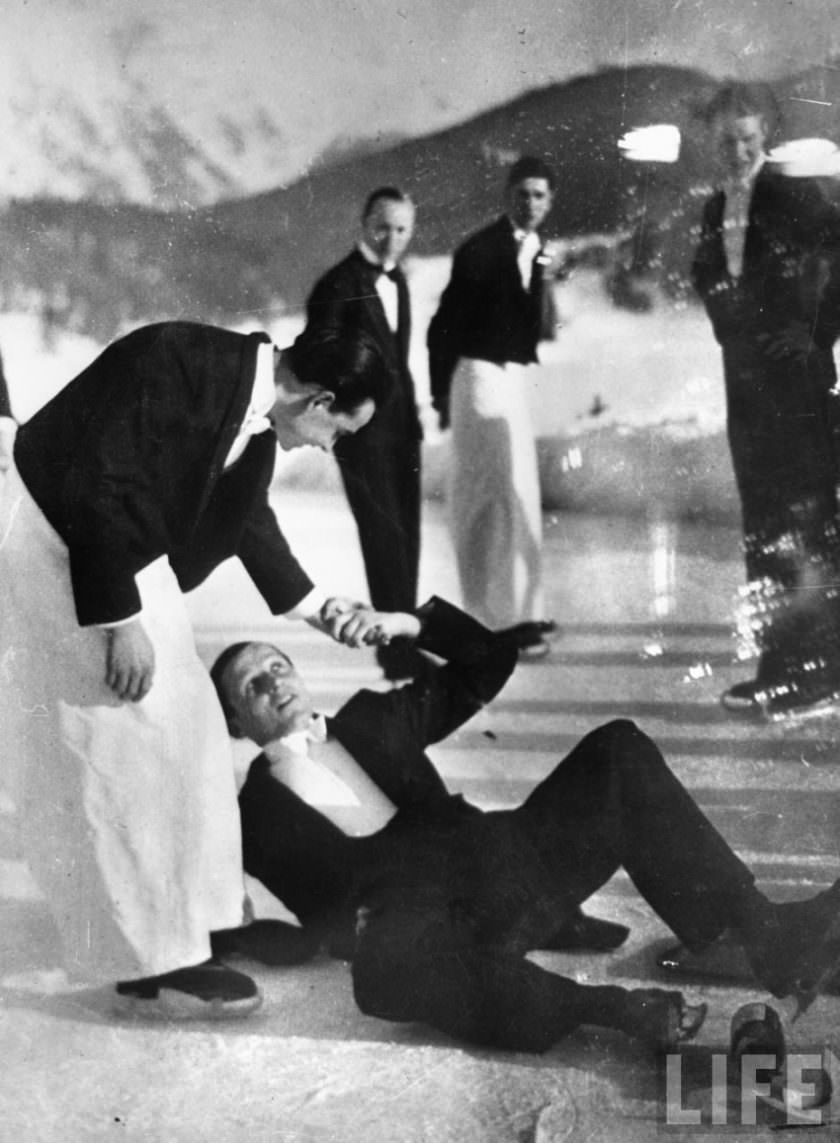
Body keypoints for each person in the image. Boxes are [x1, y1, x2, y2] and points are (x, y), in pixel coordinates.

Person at [211, 598, 840, 1054]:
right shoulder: (255, 816)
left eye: (278, 666)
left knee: (616, 749)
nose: (274, 683)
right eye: (253, 685)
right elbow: (294, 915)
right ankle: (610, 1010)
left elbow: (490, 659)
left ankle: (764, 932)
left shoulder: (375, 717)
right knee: (383, 973)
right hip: (429, 928)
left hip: (505, 864)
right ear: (237, 723)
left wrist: (412, 623)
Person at [0, 319, 394, 1020]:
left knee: (191, 721)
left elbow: (246, 518)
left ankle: (199, 919)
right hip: (53, 537)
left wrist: (314, 604)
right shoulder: (182, 363)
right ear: (319, 400)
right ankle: (149, 960)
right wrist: (118, 620)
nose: (332, 447)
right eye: (341, 431)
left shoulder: (259, 417)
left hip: (116, 544)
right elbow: (98, 481)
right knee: (118, 737)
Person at [691, 81, 840, 717]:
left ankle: (820, 674)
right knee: (765, 530)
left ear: (765, 137)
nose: (738, 149)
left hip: (797, 387)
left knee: (807, 530)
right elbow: (710, 276)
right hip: (747, 389)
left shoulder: (796, 193)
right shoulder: (712, 206)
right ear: (711, 139)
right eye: (727, 139)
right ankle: (778, 667)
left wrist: (811, 332)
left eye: (749, 138)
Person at [427, 157, 561, 660]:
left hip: (510, 378)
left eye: (540, 196)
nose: (530, 203)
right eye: (523, 193)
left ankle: (520, 618)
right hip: (478, 375)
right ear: (508, 196)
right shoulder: (480, 250)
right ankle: (492, 621)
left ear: (550, 202)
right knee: (493, 496)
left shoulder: (538, 251)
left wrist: (547, 283)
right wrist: (443, 395)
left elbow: (541, 328)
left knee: (519, 494)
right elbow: (442, 327)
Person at [305, 188, 424, 681]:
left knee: (408, 536)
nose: (391, 238)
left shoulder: (402, 282)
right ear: (363, 224)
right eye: (382, 227)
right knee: (383, 536)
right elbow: (320, 355)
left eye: (401, 228)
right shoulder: (338, 283)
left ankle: (401, 635)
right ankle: (393, 651)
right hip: (362, 431)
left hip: (403, 428)